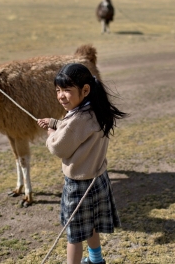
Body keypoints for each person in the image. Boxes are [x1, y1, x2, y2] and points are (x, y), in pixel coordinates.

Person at [37, 63, 127, 264]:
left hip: (79, 185)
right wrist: (54, 122)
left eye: (67, 90)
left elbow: (59, 147)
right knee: (91, 225)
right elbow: (74, 130)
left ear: (85, 90)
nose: (61, 95)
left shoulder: (78, 119)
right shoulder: (95, 110)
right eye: (58, 90)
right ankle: (96, 260)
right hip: (98, 179)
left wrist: (51, 134)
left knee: (74, 235)